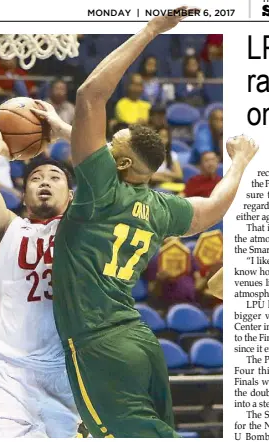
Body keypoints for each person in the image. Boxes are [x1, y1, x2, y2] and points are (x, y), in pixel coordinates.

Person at [33, 9, 258, 438]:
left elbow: (89, 96)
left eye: (113, 140)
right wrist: (242, 161)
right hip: (139, 341)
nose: (106, 138)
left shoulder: (102, 188)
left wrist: (152, 29)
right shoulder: (160, 206)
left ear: (117, 163)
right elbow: (212, 209)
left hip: (99, 344)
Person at [0, 113, 80, 438]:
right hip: (6, 369)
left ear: (72, 195)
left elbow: (117, 174)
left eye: (55, 177)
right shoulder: (7, 228)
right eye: (36, 178)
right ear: (23, 194)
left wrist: (63, 131)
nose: (44, 181)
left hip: (64, 369)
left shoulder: (85, 229)